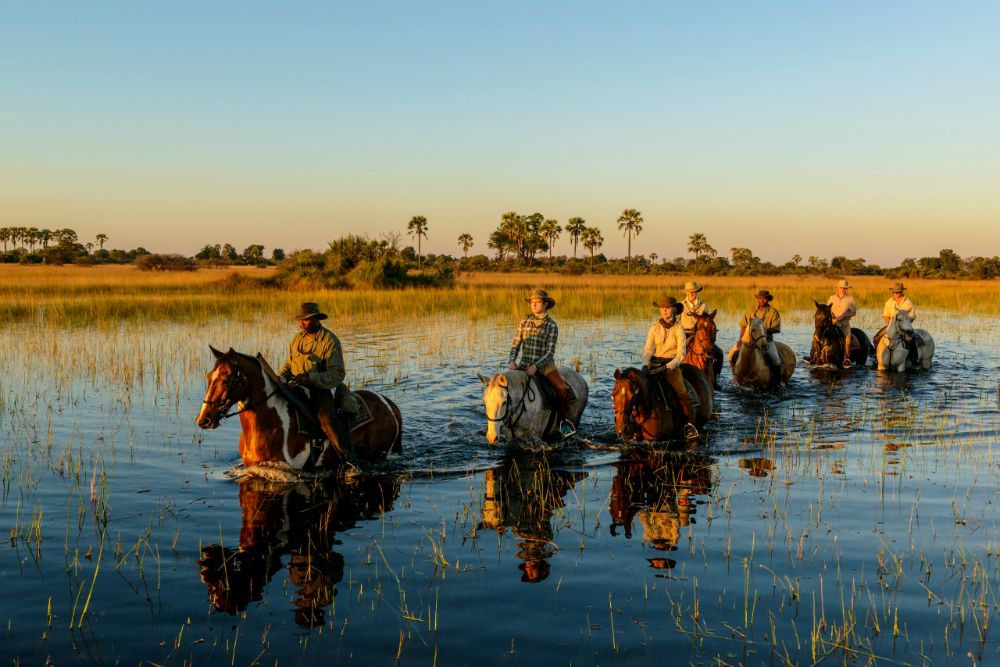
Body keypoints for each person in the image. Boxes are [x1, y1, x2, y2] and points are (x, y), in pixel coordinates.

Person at [279, 302, 359, 463]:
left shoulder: (330, 341)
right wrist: (280, 378)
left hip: (321, 391)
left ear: (316, 319)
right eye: (299, 320)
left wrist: (310, 378)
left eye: (306, 320)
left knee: (327, 420)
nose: (301, 323)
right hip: (296, 388)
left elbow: (337, 375)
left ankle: (350, 461)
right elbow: (289, 364)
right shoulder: (297, 339)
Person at [508, 289, 575, 438]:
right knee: (505, 389)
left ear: (545, 304)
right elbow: (515, 345)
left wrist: (536, 366)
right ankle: (505, 421)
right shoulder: (524, 322)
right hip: (524, 362)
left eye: (537, 302)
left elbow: (549, 352)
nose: (534, 305)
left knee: (563, 389)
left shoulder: (551, 325)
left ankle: (564, 422)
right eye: (532, 302)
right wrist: (512, 360)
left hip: (545, 365)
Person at [642, 296, 698, 439]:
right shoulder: (654, 327)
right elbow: (648, 348)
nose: (665, 311)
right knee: (639, 389)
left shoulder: (679, 329)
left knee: (682, 394)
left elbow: (681, 354)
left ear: (674, 310)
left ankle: (689, 426)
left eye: (667, 308)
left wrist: (667, 367)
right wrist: (644, 364)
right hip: (654, 363)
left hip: (672, 366)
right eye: (662, 308)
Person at [736, 289, 783, 379]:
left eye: (765, 299)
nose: (762, 300)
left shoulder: (773, 312)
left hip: (767, 341)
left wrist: (761, 331)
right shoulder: (750, 310)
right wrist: (740, 339)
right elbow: (743, 326)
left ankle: (777, 382)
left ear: (768, 299)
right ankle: (736, 376)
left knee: (776, 360)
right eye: (760, 298)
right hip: (749, 342)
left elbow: (776, 329)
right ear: (758, 299)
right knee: (732, 355)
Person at [881, 282, 918, 364]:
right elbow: (885, 315)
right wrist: (892, 323)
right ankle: (877, 357)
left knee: (913, 340)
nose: (895, 293)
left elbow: (912, 316)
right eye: (894, 292)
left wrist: (904, 322)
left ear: (902, 292)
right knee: (877, 337)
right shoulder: (889, 302)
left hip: (905, 327)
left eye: (897, 292)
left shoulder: (908, 303)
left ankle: (913, 359)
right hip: (891, 326)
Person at [827, 279, 858, 369]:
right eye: (841, 287)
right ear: (838, 288)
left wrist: (842, 317)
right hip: (833, 323)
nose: (842, 289)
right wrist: (832, 315)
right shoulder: (832, 298)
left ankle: (847, 359)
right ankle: (814, 355)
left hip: (844, 324)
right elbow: (827, 309)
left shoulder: (850, 299)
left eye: (844, 288)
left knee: (848, 340)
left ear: (847, 289)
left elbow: (853, 312)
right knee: (820, 336)